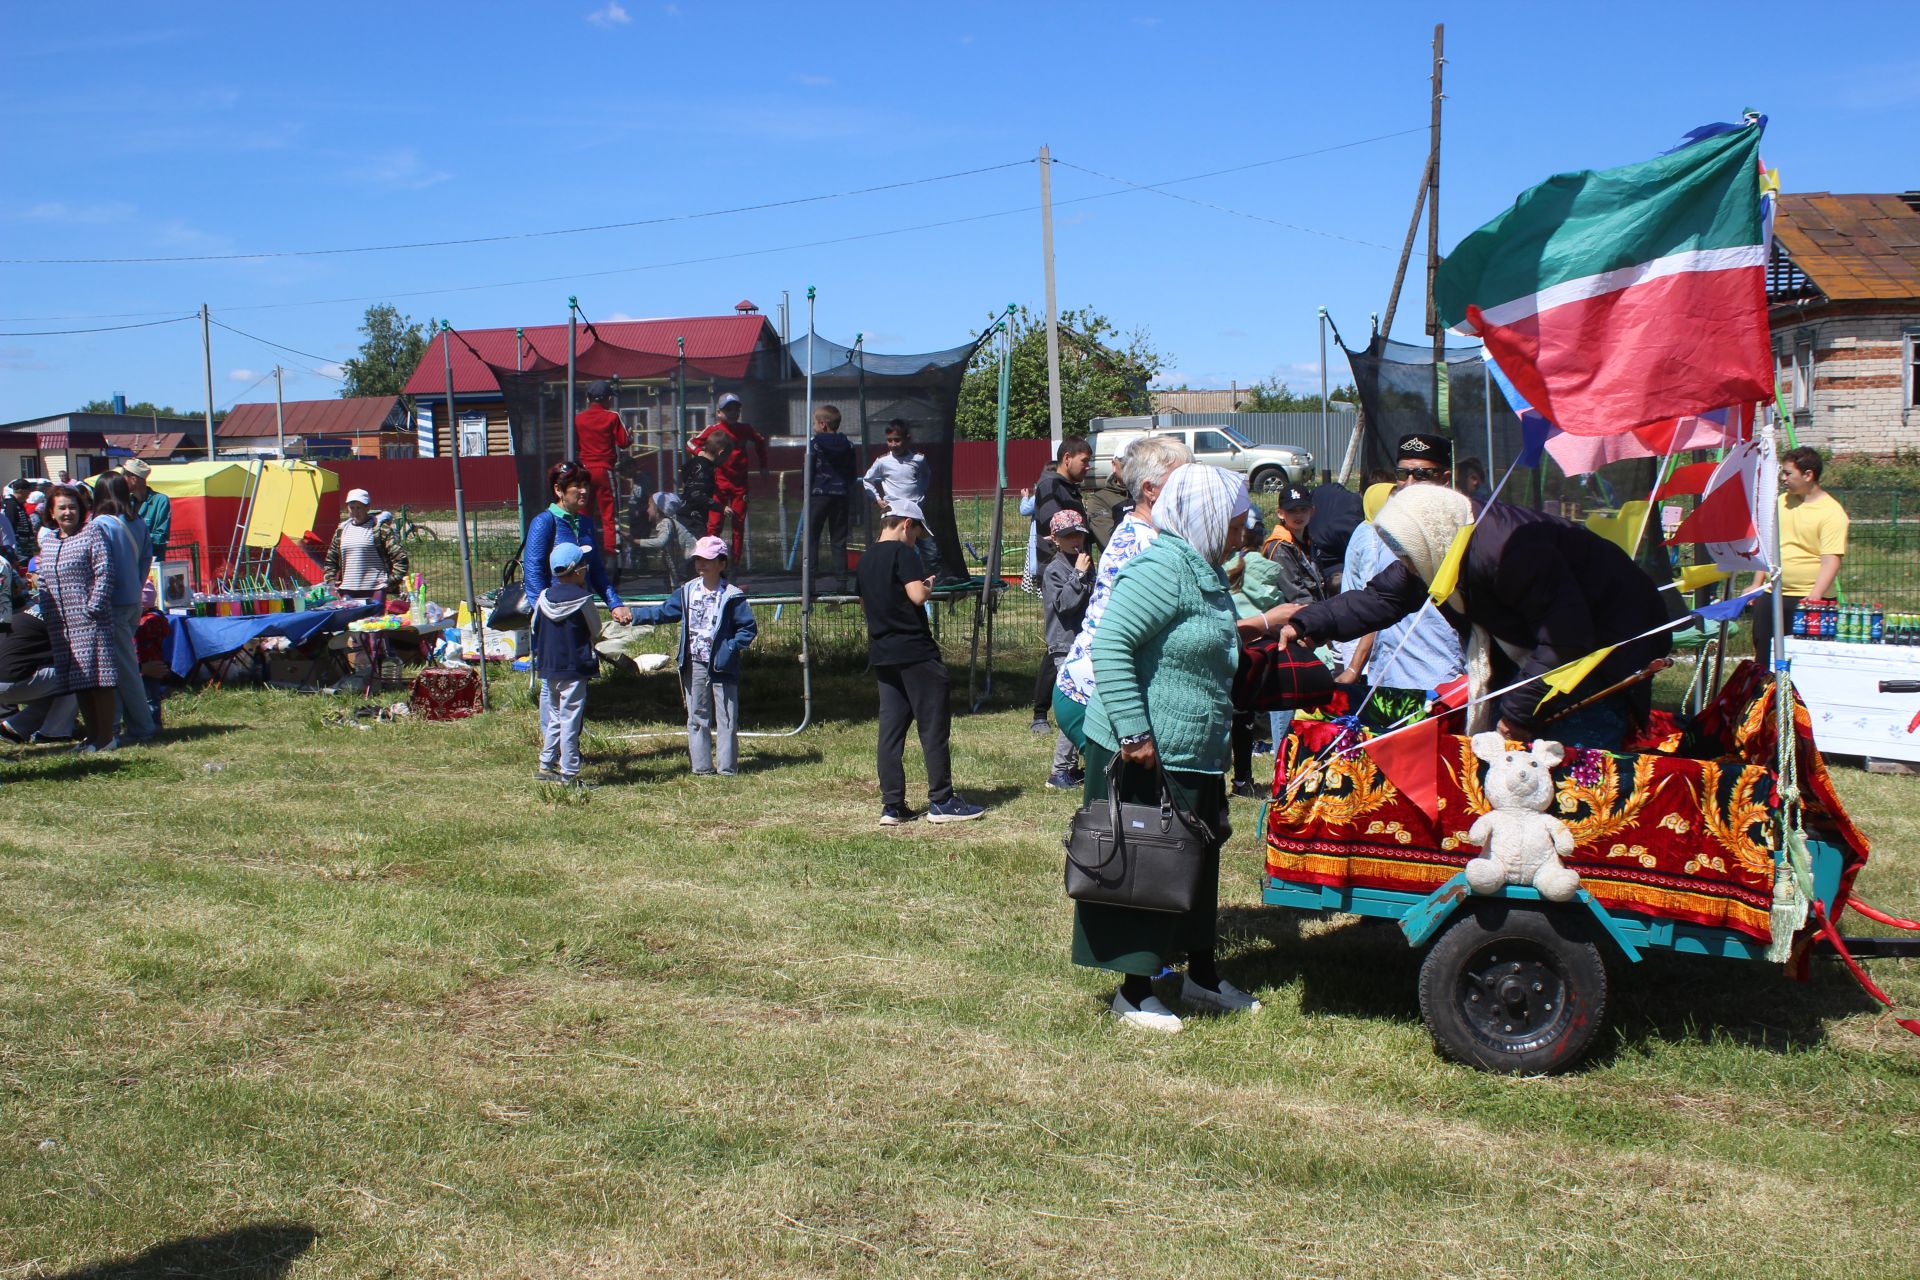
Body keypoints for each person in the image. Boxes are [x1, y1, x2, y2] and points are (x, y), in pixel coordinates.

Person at [1266, 484, 1671, 749]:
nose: (1402, 560)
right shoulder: (1439, 548)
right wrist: (1308, 621)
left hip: (1609, 651)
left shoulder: (1505, 553)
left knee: (1571, 763)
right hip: (1554, 653)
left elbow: (1565, 638)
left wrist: (1517, 713)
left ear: (1429, 533)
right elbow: (1380, 599)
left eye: (1404, 549)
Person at [1076, 464, 1260, 1033]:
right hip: (1146, 751)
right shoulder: (1160, 567)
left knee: (1196, 865)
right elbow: (1110, 646)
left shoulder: (1202, 568)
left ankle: (1200, 975)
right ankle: (1133, 990)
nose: (1244, 528)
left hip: (1195, 748)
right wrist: (1133, 733)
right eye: (1235, 518)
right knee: (1146, 866)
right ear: (1207, 516)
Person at [1054, 435, 1193, 756]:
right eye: (1182, 478)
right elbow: (1114, 643)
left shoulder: (1149, 532)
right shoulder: (1144, 546)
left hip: (1100, 689)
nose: (1191, 487)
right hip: (1094, 694)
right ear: (1150, 489)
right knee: (1128, 801)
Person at [855, 497, 985, 826]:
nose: (916, 540)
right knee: (933, 728)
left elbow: (864, 605)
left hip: (883, 653)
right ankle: (941, 800)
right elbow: (915, 596)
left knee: (890, 733)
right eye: (916, 534)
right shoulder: (903, 553)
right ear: (906, 525)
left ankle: (892, 806)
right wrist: (927, 587)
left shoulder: (866, 558)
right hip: (915, 652)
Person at [1330, 481, 1467, 728]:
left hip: (1428, 674)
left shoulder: (1435, 540)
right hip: (1388, 667)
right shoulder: (1376, 539)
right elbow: (1375, 603)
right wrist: (1354, 666)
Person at [633, 535, 759, 776]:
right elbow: (665, 612)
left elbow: (748, 628)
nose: (701, 564)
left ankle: (727, 768)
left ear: (722, 563)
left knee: (727, 718)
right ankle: (701, 767)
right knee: (696, 716)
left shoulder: (732, 596)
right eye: (698, 559)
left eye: (708, 560)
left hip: (722, 665)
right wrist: (635, 616)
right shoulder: (687, 590)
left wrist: (730, 648)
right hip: (694, 663)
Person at [37, 486, 119, 752]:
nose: (67, 512)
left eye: (72, 506)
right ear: (52, 511)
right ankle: (92, 736)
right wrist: (47, 611)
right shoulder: (48, 541)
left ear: (81, 509)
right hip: (61, 625)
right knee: (79, 681)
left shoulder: (92, 533)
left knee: (99, 680)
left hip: (90, 620)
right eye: (61, 507)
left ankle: (107, 737)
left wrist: (92, 608)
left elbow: (104, 571)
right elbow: (42, 580)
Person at [1751, 446, 1848, 659]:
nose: (1783, 478)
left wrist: (1814, 596)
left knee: (1800, 658)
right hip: (1772, 592)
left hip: (1806, 598)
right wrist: (1757, 584)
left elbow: (1831, 560)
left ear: (1808, 475)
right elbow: (1768, 546)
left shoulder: (1831, 512)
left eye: (1788, 473)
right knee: (1763, 657)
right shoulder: (1780, 502)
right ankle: (1764, 693)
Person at [1029, 437, 1093, 733]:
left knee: (1067, 643)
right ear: (1067, 458)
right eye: (1084, 460)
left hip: (1077, 567)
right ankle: (1041, 713)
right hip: (1060, 570)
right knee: (1059, 643)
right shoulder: (1050, 486)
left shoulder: (1069, 488)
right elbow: (1051, 525)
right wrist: (1065, 567)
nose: (1088, 466)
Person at [521, 462, 634, 626]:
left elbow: (596, 570)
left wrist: (615, 604)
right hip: (554, 614)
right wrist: (543, 613)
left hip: (582, 609)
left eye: (586, 485)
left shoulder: (586, 523)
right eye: (577, 486)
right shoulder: (543, 522)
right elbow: (533, 571)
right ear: (558, 490)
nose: (584, 491)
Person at [324, 487, 413, 695]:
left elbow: (400, 558)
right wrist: (330, 581)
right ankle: (357, 674)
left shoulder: (379, 529)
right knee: (354, 635)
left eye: (359, 507)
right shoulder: (342, 530)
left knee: (373, 634)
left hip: (374, 588)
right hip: (348, 589)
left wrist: (388, 581)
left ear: (368, 508)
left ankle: (373, 680)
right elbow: (331, 559)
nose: (355, 511)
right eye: (351, 507)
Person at [90, 473, 158, 743]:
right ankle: (116, 725)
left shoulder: (100, 524)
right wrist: (137, 585)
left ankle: (142, 726)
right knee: (119, 666)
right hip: (132, 599)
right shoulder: (137, 522)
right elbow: (146, 559)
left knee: (124, 669)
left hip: (112, 602)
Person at [1226, 513, 1289, 798]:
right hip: (1257, 651)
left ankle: (1217, 777)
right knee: (1244, 716)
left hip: (1228, 645)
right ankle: (1242, 779)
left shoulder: (1221, 567)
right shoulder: (1269, 570)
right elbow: (1277, 609)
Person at [532, 542, 602, 786]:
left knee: (552, 717)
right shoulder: (584, 599)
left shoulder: (543, 597)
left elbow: (535, 627)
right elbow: (596, 630)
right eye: (584, 564)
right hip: (574, 668)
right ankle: (569, 773)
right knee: (570, 719)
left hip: (548, 667)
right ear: (578, 570)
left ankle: (546, 764)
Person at [1040, 510, 1096, 790]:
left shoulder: (1085, 563)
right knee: (1075, 702)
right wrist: (1079, 575)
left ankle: (1069, 767)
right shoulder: (1055, 570)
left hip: (1084, 642)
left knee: (1085, 701)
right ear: (1055, 540)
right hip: (1064, 644)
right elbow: (1063, 605)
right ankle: (1058, 771)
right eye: (1067, 536)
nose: (1075, 540)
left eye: (1078, 534)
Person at [689, 393, 768, 558]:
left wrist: (763, 465)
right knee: (714, 524)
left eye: (736, 409)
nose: (733, 413)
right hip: (719, 485)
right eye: (728, 409)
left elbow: (760, 441)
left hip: (740, 485)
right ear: (718, 412)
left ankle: (735, 566)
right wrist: (701, 453)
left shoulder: (745, 429)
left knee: (738, 525)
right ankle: (710, 559)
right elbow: (691, 443)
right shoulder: (713, 430)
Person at [861, 420, 940, 578]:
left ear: (907, 439)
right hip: (894, 514)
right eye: (889, 440)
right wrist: (877, 499)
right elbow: (867, 480)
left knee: (929, 549)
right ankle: (886, 578)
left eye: (897, 440)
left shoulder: (918, 459)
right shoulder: (883, 461)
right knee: (890, 548)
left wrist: (921, 491)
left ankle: (931, 581)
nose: (893, 444)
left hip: (915, 513)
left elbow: (926, 474)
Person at [573, 381, 630, 563]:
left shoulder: (578, 418)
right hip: (605, 470)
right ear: (609, 398)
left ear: (588, 398)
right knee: (609, 513)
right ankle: (611, 551)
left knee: (584, 511)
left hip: (584, 471)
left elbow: (575, 444)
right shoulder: (612, 417)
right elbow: (623, 443)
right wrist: (630, 436)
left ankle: (583, 547)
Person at [806, 404, 859, 594]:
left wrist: (809, 488)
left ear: (823, 424)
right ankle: (841, 583)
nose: (813, 427)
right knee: (838, 540)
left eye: (814, 423)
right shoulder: (848, 445)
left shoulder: (814, 444)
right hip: (841, 495)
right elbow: (852, 472)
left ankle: (810, 583)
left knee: (812, 538)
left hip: (819, 495)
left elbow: (809, 470)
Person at [1262, 485, 1329, 604]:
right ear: (1280, 513)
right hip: (1294, 615)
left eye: (1303, 509)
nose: (1298, 515)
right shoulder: (1280, 547)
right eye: (1292, 510)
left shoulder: (1309, 541)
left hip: (1315, 611)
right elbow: (1297, 596)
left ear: (1312, 511)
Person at [630, 491, 696, 589]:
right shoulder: (668, 524)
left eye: (649, 506)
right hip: (689, 565)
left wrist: (635, 541)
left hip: (693, 562)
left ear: (658, 509)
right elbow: (671, 559)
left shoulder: (666, 523)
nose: (647, 510)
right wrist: (674, 584)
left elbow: (661, 542)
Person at [677, 432, 728, 549]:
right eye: (727, 457)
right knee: (699, 552)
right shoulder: (705, 469)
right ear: (722, 452)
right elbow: (697, 495)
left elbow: (684, 471)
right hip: (693, 519)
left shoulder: (697, 461)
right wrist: (721, 507)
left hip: (684, 514)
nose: (726, 460)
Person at [121, 458, 171, 562]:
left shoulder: (160, 501)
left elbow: (161, 538)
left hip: (152, 564)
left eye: (124, 477)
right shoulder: (126, 502)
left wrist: (135, 535)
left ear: (133, 479)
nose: (121, 482)